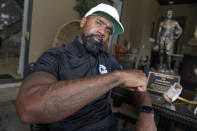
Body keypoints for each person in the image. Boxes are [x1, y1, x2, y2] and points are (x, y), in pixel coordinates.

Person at [16, 3, 157, 131]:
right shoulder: (55, 57)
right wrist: (116, 78)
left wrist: (146, 113)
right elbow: (27, 109)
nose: (102, 32)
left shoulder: (107, 59)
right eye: (99, 22)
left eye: (108, 30)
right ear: (83, 22)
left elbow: (138, 85)